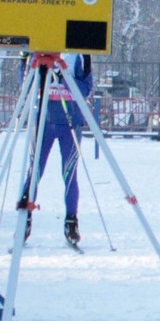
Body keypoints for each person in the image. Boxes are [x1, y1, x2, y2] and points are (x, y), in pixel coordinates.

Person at [17, 53, 94, 247]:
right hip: (42, 120)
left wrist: (64, 75)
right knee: (34, 171)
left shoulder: (79, 55)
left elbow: (85, 90)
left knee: (69, 173)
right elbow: (25, 85)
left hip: (70, 121)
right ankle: (24, 219)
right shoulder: (37, 51)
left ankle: (71, 221)